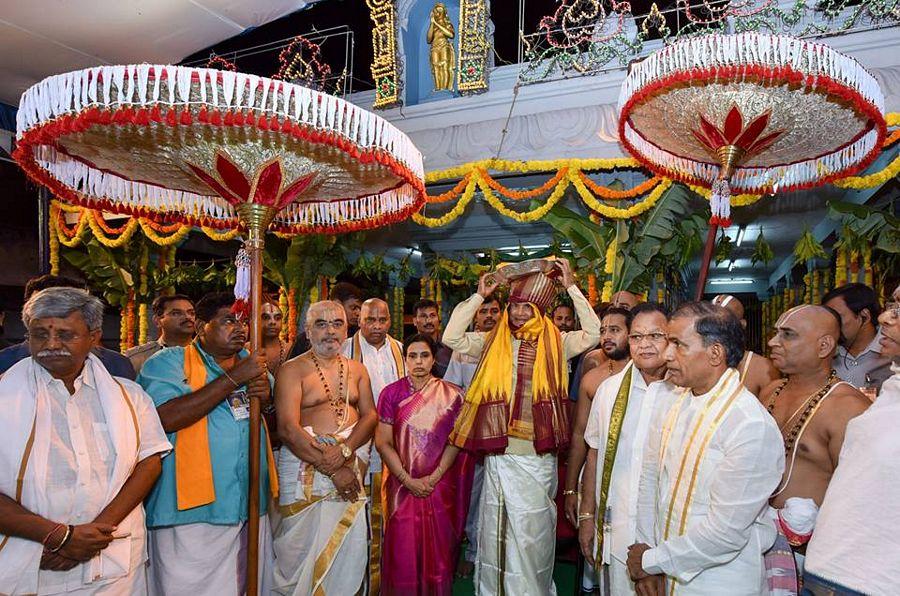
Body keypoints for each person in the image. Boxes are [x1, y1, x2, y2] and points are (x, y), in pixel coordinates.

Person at [444, 258, 602, 594]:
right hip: (501, 456)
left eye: (526, 308)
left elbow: (593, 332)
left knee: (531, 537)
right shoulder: (492, 340)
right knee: (495, 533)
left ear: (540, 310)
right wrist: (478, 296)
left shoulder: (557, 343)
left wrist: (572, 287)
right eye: (514, 306)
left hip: (536, 458)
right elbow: (452, 336)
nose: (517, 314)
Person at [0, 287, 171, 594]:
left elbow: (148, 464)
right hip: (31, 561)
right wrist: (59, 537)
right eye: (39, 334)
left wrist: (90, 538)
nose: (51, 344)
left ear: (94, 337)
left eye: (65, 335)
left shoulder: (129, 397)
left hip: (111, 563)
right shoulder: (4, 396)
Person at [627, 302, 784, 595]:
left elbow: (725, 534)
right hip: (666, 571)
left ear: (715, 354)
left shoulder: (749, 425)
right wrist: (649, 557)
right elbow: (650, 482)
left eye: (678, 345)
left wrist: (652, 561)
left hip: (719, 582)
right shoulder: (674, 402)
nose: (666, 354)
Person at [139, 292, 277, 596]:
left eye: (244, 321)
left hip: (250, 504)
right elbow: (164, 418)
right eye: (229, 320)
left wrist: (266, 402)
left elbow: (276, 430)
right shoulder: (168, 362)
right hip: (191, 511)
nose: (240, 327)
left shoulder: (252, 363)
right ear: (201, 326)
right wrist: (234, 378)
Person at [762, 305, 869, 592]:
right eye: (776, 333)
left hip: (811, 556)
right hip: (757, 540)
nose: (773, 342)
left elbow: (858, 499)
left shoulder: (847, 407)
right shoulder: (771, 391)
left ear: (824, 346)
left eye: (788, 335)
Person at [272, 301, 376, 595]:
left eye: (337, 324)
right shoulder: (292, 370)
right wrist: (332, 469)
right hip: (307, 470)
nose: (330, 331)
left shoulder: (357, 370)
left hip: (349, 463)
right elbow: (288, 429)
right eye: (321, 324)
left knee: (348, 552)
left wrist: (344, 454)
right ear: (307, 330)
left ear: (347, 329)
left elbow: (370, 416)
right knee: (298, 558)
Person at [802, 287, 900, 594]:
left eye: (898, 310)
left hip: (872, 581)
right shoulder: (894, 385)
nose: (885, 317)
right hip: (831, 570)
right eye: (891, 305)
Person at [578, 302, 672, 595]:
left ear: (672, 339)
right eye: (636, 337)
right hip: (616, 527)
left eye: (655, 336)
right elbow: (594, 452)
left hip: (669, 537)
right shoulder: (609, 391)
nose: (644, 345)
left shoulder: (685, 392)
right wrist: (586, 517)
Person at [376, 334, 473, 595]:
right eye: (412, 356)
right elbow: (383, 442)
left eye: (424, 355)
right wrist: (408, 480)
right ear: (405, 359)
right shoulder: (391, 393)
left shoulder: (453, 395)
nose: (418, 361)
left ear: (434, 359)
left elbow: (456, 441)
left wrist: (434, 477)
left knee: (438, 552)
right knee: (403, 550)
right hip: (403, 486)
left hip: (439, 486)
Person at [341, 297, 404, 585]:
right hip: (358, 445)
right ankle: (358, 579)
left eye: (383, 320)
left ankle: (386, 578)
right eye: (370, 320)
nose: (377, 326)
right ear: (359, 321)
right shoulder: (344, 351)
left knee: (390, 512)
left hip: (394, 444)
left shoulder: (400, 351)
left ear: (390, 320)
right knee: (359, 514)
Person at [445, 296, 501, 579]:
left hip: (503, 435)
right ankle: (468, 552)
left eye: (494, 311)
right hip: (468, 435)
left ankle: (486, 555)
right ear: (475, 318)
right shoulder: (464, 346)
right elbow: (452, 391)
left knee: (496, 496)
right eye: (484, 312)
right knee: (470, 493)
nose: (489, 316)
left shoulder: (509, 344)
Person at [563, 307, 632, 528]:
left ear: (632, 334)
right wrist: (571, 488)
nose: (607, 337)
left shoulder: (649, 377)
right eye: (603, 331)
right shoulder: (592, 379)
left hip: (631, 475)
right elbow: (579, 434)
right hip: (595, 471)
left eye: (615, 330)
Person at [0, 275, 135, 379]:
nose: (53, 345)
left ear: (93, 336)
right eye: (41, 307)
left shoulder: (116, 366)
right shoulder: (5, 363)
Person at [823, 283, 891, 395]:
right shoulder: (824, 354)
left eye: (837, 318)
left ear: (864, 316)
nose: (830, 325)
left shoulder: (892, 351)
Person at [712, 294, 780, 397]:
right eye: (709, 321)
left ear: (742, 324)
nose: (716, 327)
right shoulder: (692, 363)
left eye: (725, 321)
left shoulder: (762, 368)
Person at [125, 294, 195, 374]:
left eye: (191, 313)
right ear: (157, 321)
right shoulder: (136, 358)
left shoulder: (208, 354)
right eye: (176, 313)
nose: (188, 317)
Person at [412, 298, 453, 378]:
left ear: (438, 318)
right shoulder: (410, 348)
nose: (429, 321)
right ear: (414, 321)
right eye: (423, 316)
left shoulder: (450, 347)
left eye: (433, 316)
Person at [259, 299, 292, 375]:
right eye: (266, 317)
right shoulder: (247, 350)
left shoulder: (290, 349)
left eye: (277, 318)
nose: (273, 322)